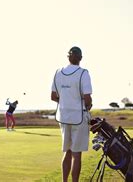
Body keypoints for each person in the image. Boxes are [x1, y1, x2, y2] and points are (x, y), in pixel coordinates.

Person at [51, 46, 92, 182]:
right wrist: (88, 105)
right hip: (78, 118)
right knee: (76, 154)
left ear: (68, 57)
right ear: (80, 58)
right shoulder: (83, 73)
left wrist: (65, 102)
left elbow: (53, 96)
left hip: (63, 117)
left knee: (67, 151)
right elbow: (87, 98)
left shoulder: (58, 72)